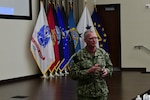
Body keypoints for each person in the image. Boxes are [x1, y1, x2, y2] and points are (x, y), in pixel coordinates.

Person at [69, 30, 113, 100]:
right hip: (85, 94)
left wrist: (106, 71)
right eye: (91, 38)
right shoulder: (79, 55)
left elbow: (110, 68)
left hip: (101, 92)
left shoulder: (102, 53)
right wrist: (88, 71)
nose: (94, 40)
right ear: (85, 40)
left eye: (95, 38)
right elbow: (73, 74)